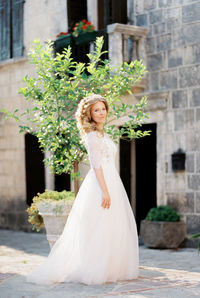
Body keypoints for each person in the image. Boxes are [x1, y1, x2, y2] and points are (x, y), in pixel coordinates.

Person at [26, 94, 139, 285]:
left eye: (103, 109)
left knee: (112, 224)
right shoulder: (92, 136)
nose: (101, 113)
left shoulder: (103, 133)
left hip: (112, 180)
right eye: (97, 110)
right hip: (100, 184)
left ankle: (111, 267)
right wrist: (105, 191)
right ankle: (94, 269)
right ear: (89, 114)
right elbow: (97, 166)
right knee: (99, 225)